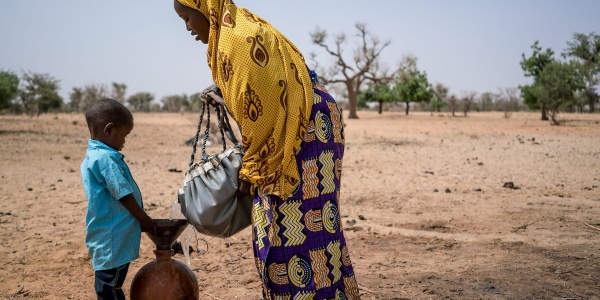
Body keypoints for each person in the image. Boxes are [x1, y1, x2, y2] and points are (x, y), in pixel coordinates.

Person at [173, 1, 360, 298]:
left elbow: (265, 113)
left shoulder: (234, 39)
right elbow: (270, 84)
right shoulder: (239, 26)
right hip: (314, 122)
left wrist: (254, 170)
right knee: (318, 221)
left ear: (203, 6)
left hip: (299, 131)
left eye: (186, 17)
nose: (187, 27)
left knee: (282, 224)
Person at [80, 98, 154, 300]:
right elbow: (122, 193)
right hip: (113, 236)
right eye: (125, 135)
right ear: (109, 129)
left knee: (106, 284)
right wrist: (143, 218)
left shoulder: (93, 155)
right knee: (109, 287)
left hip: (106, 233)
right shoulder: (105, 159)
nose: (124, 141)